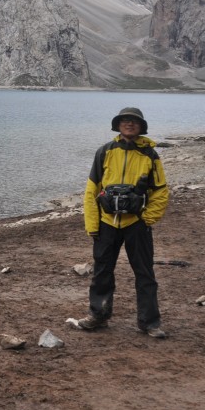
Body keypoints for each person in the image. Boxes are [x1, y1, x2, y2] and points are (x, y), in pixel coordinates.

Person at [77, 107, 170, 338]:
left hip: (136, 224)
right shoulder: (104, 152)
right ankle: (98, 315)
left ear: (141, 126)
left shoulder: (150, 156)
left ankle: (149, 322)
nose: (129, 124)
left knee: (145, 274)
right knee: (102, 272)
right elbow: (91, 190)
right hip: (107, 223)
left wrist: (147, 218)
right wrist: (92, 223)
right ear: (118, 125)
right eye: (125, 121)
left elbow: (160, 191)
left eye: (134, 122)